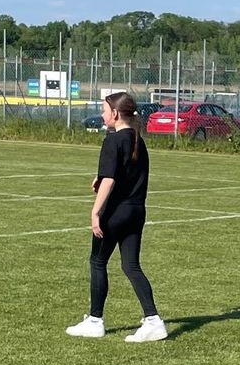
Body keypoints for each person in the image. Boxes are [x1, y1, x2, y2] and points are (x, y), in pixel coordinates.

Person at [65, 91, 167, 343]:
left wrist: (95, 211)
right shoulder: (137, 140)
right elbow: (120, 175)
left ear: (116, 114)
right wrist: (101, 179)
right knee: (131, 265)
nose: (102, 114)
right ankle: (153, 320)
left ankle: (95, 320)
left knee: (98, 262)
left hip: (117, 212)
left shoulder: (113, 140)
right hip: (136, 211)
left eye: (104, 110)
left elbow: (110, 180)